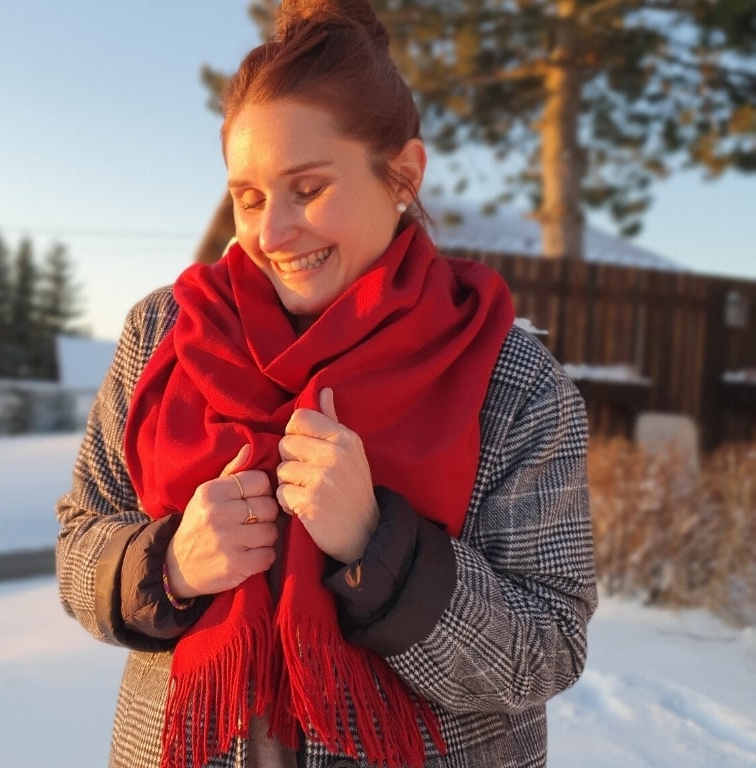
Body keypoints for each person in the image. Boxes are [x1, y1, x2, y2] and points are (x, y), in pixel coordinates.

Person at [55, 0, 597, 766]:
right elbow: (80, 540)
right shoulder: (163, 334)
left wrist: (377, 547)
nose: (273, 234)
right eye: (249, 197)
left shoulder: (508, 378)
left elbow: (549, 644)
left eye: (307, 189)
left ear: (403, 174)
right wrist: (169, 565)